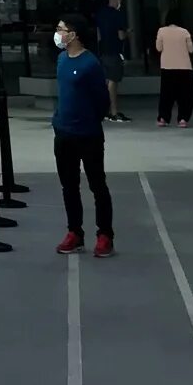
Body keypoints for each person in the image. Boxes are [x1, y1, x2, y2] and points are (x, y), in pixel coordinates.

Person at [52, 14, 114, 258]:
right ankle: (75, 232)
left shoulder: (90, 64)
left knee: (97, 185)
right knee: (69, 186)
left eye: (61, 29)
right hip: (64, 131)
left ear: (74, 34)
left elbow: (102, 100)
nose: (58, 33)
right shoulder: (61, 60)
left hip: (88, 134)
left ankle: (105, 234)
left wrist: (90, 119)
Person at [93, 0, 130, 123]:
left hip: (103, 51)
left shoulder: (100, 14)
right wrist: (128, 34)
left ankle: (106, 110)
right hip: (114, 51)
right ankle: (114, 111)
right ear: (117, 0)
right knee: (113, 81)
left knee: (106, 80)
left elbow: (98, 34)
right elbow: (121, 35)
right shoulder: (117, 15)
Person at [155, 8, 193, 127]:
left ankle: (163, 118)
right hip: (184, 67)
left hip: (167, 67)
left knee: (166, 94)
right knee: (186, 95)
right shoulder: (185, 32)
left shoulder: (161, 31)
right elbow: (191, 50)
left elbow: (158, 48)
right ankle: (183, 119)